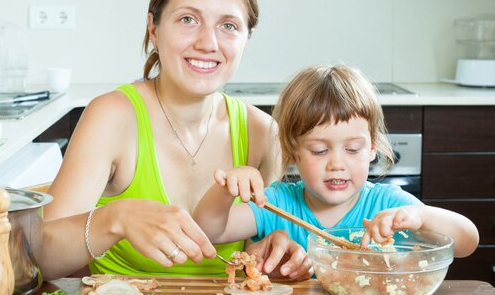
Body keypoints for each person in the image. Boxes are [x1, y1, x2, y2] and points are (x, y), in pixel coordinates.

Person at [37, 0, 282, 280]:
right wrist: (116, 218)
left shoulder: (264, 133)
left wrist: (279, 247)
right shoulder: (112, 117)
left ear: (246, 38)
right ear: (153, 27)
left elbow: (261, 246)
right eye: (188, 19)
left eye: (228, 25)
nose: (208, 42)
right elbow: (42, 258)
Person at [193, 65, 480, 265]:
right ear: (293, 151)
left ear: (371, 148)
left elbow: (467, 242)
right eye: (319, 150)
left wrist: (421, 216)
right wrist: (228, 188)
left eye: (353, 149)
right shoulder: (277, 204)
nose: (337, 164)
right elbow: (209, 230)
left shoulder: (387, 206)